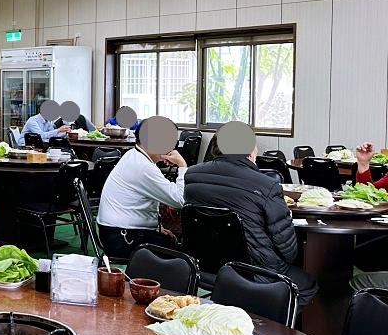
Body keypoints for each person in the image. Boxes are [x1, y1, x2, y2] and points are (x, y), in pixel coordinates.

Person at [184, 143, 318, 306]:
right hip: (254, 271)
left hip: (205, 266)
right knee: (307, 284)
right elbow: (289, 251)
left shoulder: (192, 175)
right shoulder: (266, 185)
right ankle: (269, 326)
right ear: (250, 153)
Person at [96, 125, 186, 258]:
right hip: (124, 239)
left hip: (118, 232)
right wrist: (182, 166)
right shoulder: (143, 167)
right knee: (185, 256)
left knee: (173, 244)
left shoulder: (134, 155)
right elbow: (179, 200)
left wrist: (154, 228)